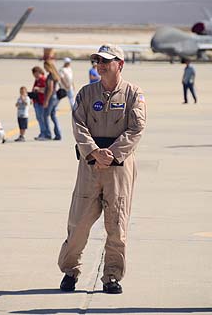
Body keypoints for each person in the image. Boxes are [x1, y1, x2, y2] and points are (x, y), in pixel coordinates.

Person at [58, 44, 146, 294]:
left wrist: (113, 154)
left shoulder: (133, 94)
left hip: (119, 171)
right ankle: (69, 271)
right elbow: (78, 125)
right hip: (90, 168)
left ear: (120, 64)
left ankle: (111, 277)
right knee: (78, 224)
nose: (101, 64)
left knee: (117, 226)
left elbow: (136, 129)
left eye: (106, 60)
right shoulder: (86, 94)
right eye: (97, 60)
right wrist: (94, 152)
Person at [43, 60, 62, 140]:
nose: (44, 68)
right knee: (53, 115)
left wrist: (46, 100)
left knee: (45, 115)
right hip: (56, 97)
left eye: (45, 67)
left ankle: (48, 134)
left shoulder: (50, 76)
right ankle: (58, 134)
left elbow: (50, 89)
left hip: (51, 97)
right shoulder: (55, 75)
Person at [31, 66, 46, 140]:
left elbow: (46, 90)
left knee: (41, 118)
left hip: (41, 101)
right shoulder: (37, 80)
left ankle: (44, 133)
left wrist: (39, 89)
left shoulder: (43, 79)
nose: (34, 76)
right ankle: (42, 132)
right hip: (37, 101)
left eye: (34, 74)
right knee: (39, 118)